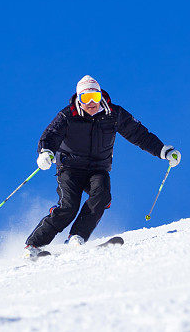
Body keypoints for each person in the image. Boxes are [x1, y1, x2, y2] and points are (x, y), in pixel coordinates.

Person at [24, 75, 181, 258]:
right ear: (78, 100)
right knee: (69, 206)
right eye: (85, 99)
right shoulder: (67, 116)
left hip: (97, 168)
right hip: (70, 168)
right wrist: (45, 152)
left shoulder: (114, 114)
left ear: (101, 96)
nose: (91, 103)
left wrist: (163, 150)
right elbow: (51, 135)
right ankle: (34, 245)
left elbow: (138, 134)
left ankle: (77, 237)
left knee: (102, 195)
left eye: (95, 97)